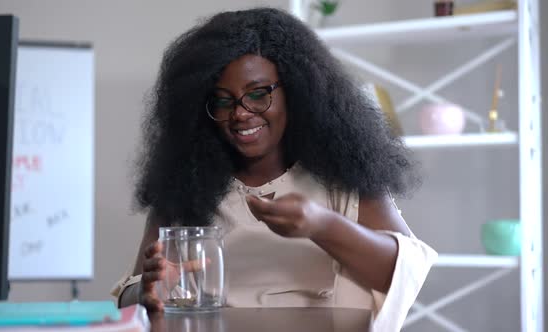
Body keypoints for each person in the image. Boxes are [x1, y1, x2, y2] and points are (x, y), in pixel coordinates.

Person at [111, 7, 437, 331]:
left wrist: (321, 225)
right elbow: (131, 294)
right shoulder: (187, 183)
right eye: (224, 101)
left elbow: (402, 270)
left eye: (257, 94)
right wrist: (147, 289)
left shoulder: (342, 177)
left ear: (296, 91)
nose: (241, 113)